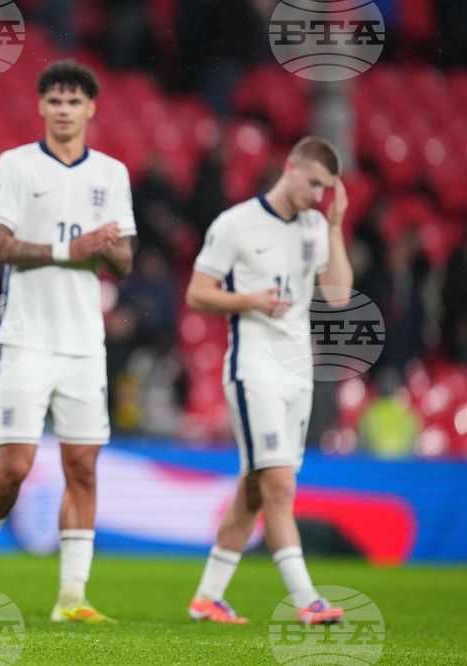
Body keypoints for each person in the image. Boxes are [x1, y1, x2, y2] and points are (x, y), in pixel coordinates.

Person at [0, 60, 135, 624]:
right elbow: (0, 245)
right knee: (14, 466)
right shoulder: (17, 164)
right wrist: (71, 249)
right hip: (27, 339)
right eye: (55, 100)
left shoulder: (111, 173)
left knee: (83, 466)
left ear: (90, 109)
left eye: (73, 101)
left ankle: (72, 597)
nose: (64, 110)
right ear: (41, 106)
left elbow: (124, 261)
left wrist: (106, 246)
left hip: (84, 343)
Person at [184, 136, 352, 625]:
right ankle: (307, 600)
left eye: (325, 189)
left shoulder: (316, 225)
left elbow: (339, 296)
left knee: (255, 488)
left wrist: (335, 227)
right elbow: (197, 293)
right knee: (279, 485)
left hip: (297, 373)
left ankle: (207, 598)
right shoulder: (236, 223)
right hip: (253, 368)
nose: (317, 195)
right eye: (313, 183)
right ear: (291, 166)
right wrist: (251, 301)